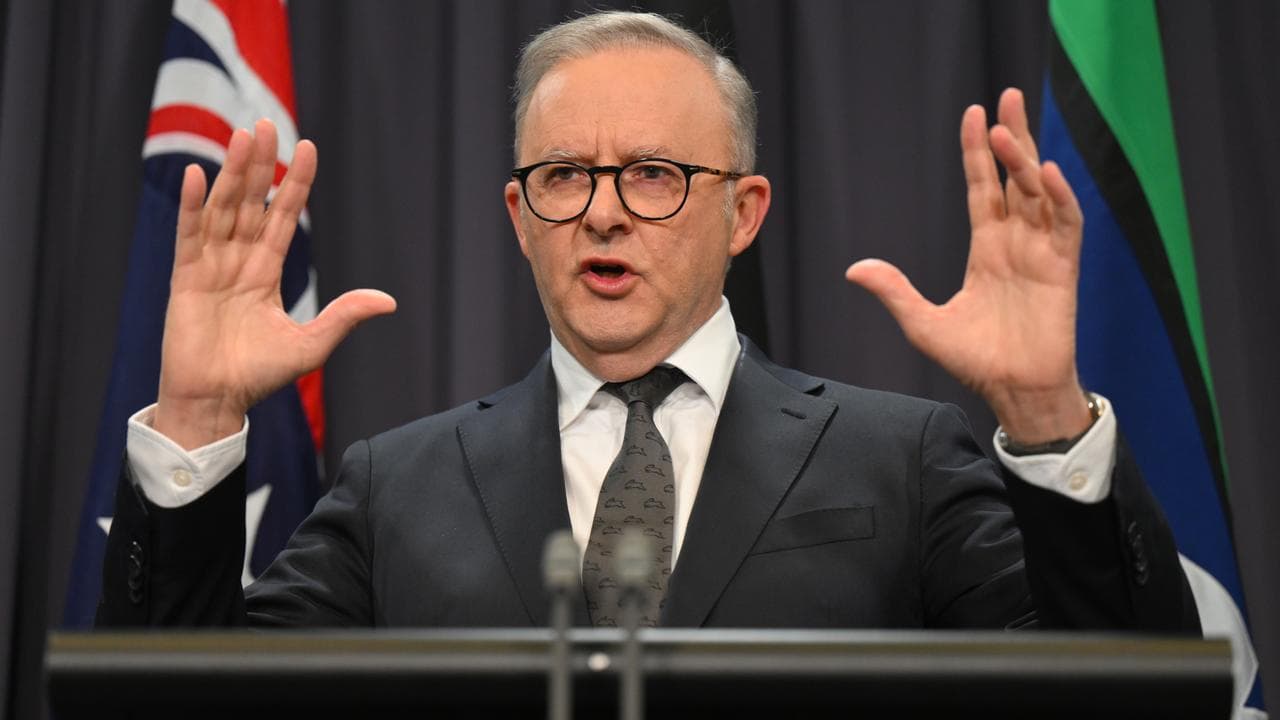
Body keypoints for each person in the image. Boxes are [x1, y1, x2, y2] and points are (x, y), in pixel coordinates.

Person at [98, 11, 1197, 632]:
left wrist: (1048, 419)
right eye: (565, 176)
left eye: (657, 174)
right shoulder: (399, 485)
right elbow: (183, 705)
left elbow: (1111, 688)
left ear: (742, 211)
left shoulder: (899, 460)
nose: (605, 211)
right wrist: (195, 416)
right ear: (520, 216)